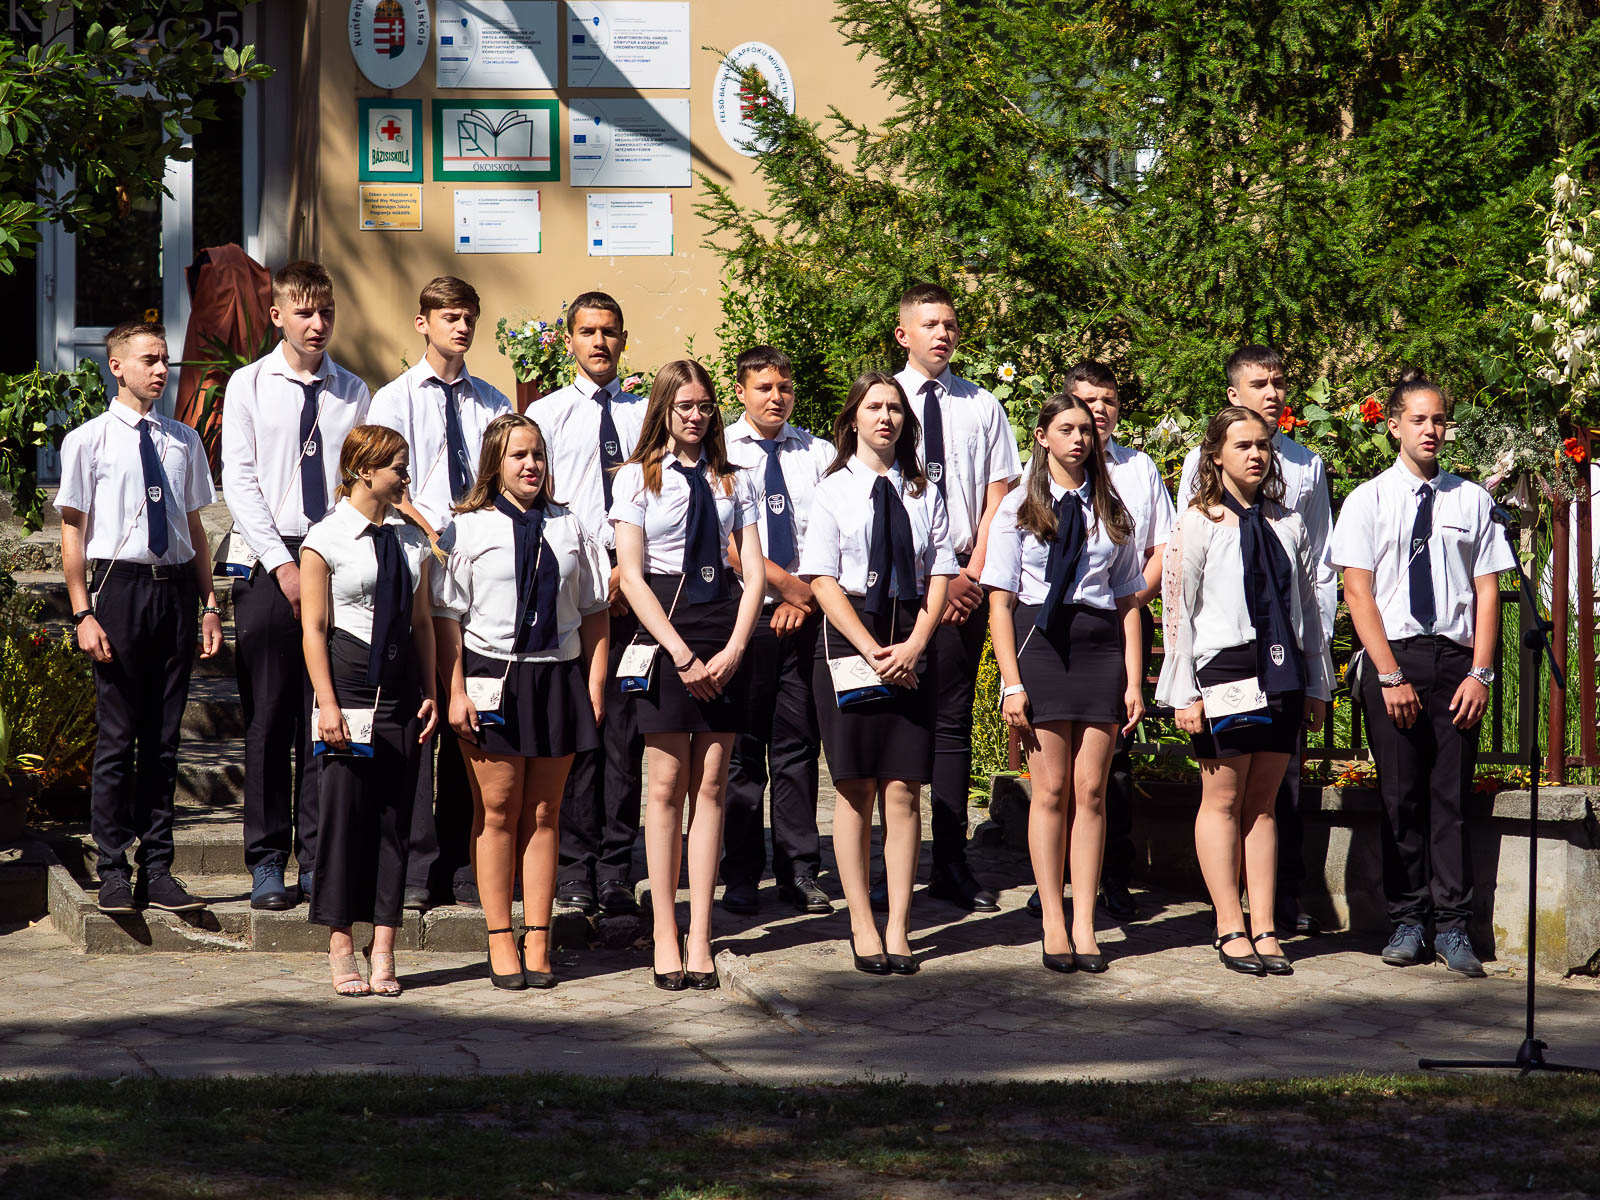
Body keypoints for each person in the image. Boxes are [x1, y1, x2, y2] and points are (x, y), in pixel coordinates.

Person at [1330, 372, 1513, 978]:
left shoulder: (1472, 500)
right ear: (1394, 426)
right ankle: (1408, 919)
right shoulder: (1368, 500)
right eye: (1418, 419)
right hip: (1395, 657)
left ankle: (1454, 926)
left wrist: (1481, 672)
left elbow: (1487, 591)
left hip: (1456, 662)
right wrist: (1388, 675)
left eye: (1438, 420)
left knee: (1450, 797)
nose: (1430, 430)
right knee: (1400, 795)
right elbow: (1358, 592)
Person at [434, 414, 609, 989]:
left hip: (557, 677)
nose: (531, 465)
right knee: (498, 810)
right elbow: (447, 618)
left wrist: (595, 685)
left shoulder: (569, 524)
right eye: (518, 455)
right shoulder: (467, 528)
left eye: (537, 454)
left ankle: (538, 935)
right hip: (492, 677)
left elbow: (594, 610)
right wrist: (455, 690)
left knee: (544, 812)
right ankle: (498, 936)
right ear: (495, 463)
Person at [58, 319, 225, 915]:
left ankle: (158, 868)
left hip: (174, 591)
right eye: (149, 360)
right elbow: (73, 531)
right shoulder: (89, 441)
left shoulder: (183, 440)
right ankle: (112, 868)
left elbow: (195, 528)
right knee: (117, 737)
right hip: (119, 589)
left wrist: (209, 603)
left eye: (165, 360)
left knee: (163, 740)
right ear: (117, 366)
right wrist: (83, 611)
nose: (160, 370)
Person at [1157, 406, 1331, 976]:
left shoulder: (1288, 522)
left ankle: (1265, 926)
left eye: (1262, 445)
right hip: (1225, 669)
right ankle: (1229, 924)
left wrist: (1316, 681)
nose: (1256, 455)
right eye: (1242, 445)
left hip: (1281, 671)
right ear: (1215, 455)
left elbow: (1308, 607)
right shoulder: (1198, 522)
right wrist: (1184, 692)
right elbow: (1179, 611)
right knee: (1223, 799)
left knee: (1263, 803)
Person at [220, 260, 372, 912]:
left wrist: (330, 560)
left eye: (326, 312)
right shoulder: (250, 384)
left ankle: (316, 859)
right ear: (278, 315)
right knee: (270, 716)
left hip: (331, 566)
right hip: (268, 565)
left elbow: (359, 483)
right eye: (305, 312)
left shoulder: (353, 391)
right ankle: (265, 861)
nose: (317, 324)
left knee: (323, 715)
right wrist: (283, 564)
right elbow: (239, 480)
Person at [610, 360, 765, 990]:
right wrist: (677, 653)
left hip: (721, 626)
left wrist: (734, 648)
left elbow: (755, 571)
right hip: (665, 628)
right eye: (684, 406)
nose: (696, 416)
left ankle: (700, 932)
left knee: (712, 786)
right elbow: (630, 575)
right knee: (667, 786)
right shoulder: (636, 477)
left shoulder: (735, 478)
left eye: (704, 406)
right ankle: (665, 931)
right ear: (664, 410)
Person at [799, 371, 957, 975]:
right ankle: (862, 924)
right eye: (874, 407)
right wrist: (871, 651)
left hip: (911, 639)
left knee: (903, 790)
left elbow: (940, 572)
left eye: (894, 408)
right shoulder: (832, 490)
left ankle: (898, 926)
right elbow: (821, 580)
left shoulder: (923, 490)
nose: (885, 417)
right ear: (854, 419)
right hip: (850, 640)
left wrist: (914, 644)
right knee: (855, 788)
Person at [984, 393, 1146, 974]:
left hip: (1099, 647)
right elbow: (999, 603)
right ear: (1042, 436)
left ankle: (1084, 921)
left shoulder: (1110, 504)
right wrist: (1011, 683)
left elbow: (1127, 600)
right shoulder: (1017, 508)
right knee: (1051, 791)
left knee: (1092, 791)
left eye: (1086, 430)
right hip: (1042, 645)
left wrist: (1133, 679)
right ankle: (1053, 918)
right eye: (1066, 429)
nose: (1079, 439)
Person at [370, 275, 511, 912]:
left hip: (477, 569)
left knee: (469, 705)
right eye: (449, 316)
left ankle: (460, 860)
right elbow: (387, 486)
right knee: (423, 709)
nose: (461, 327)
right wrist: (431, 534)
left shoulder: (491, 401)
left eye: (468, 317)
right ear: (422, 323)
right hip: (417, 562)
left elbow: (500, 482)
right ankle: (417, 865)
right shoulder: (394, 398)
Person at [1027, 361, 1175, 923]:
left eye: (1108, 401)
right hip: (1051, 636)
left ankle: (1109, 879)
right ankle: (1053, 890)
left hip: (1114, 624)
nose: (1098, 412)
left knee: (1109, 774)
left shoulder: (1137, 470)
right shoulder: (1034, 483)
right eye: (1087, 402)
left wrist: (1130, 600)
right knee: (1054, 779)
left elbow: (1158, 548)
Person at [893, 283, 1022, 913]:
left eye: (950, 324)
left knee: (951, 725)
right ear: (904, 335)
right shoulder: (883, 400)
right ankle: (893, 864)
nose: (942, 333)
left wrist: (967, 573)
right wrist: (929, 579)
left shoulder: (982, 405)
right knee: (897, 728)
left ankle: (950, 861)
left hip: (965, 587)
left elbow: (1000, 497)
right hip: (902, 587)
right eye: (930, 324)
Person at [300, 425, 437, 997]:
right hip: (349, 685)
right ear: (365, 470)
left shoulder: (409, 538)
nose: (406, 476)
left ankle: (384, 948)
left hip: (402, 687)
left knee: (393, 821)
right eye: (398, 466)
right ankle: (339, 943)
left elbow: (423, 622)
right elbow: (313, 628)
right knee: (342, 820)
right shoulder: (326, 537)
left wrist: (430, 688)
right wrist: (327, 703)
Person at [527, 292, 647, 919]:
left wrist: (628, 571)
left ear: (623, 338)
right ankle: (573, 869)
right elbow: (537, 499)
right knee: (576, 731)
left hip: (636, 592)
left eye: (610, 331)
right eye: (588, 331)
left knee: (623, 739)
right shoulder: (545, 415)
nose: (600, 342)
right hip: (570, 594)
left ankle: (616, 869)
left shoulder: (646, 414)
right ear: (569, 340)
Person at [719, 346, 837, 916]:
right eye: (764, 387)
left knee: (796, 749)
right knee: (742, 754)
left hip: (806, 620)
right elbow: (726, 541)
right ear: (741, 391)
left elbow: (837, 534)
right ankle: (741, 874)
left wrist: (805, 597)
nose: (776, 397)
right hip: (746, 618)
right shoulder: (719, 451)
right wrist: (788, 588)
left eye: (785, 387)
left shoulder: (819, 453)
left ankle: (799, 870)